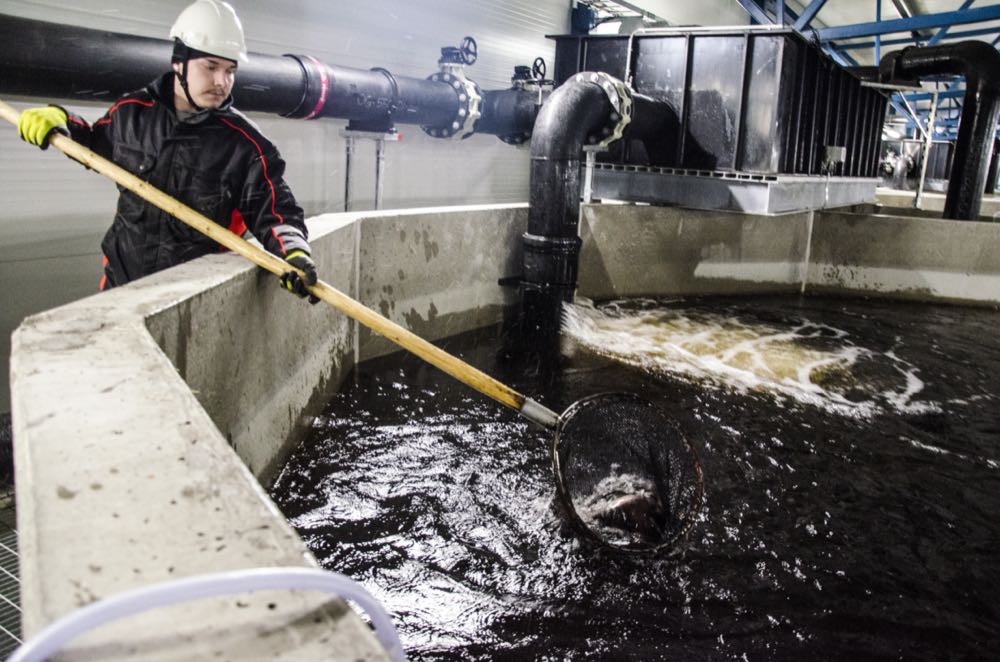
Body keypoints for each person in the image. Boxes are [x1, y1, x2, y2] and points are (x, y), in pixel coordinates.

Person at [16, 0, 317, 301]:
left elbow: (277, 213)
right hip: (121, 285)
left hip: (193, 300)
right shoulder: (133, 112)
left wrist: (294, 253)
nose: (221, 82)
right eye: (210, 67)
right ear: (179, 61)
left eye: (230, 71)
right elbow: (95, 145)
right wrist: (60, 119)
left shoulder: (245, 146)